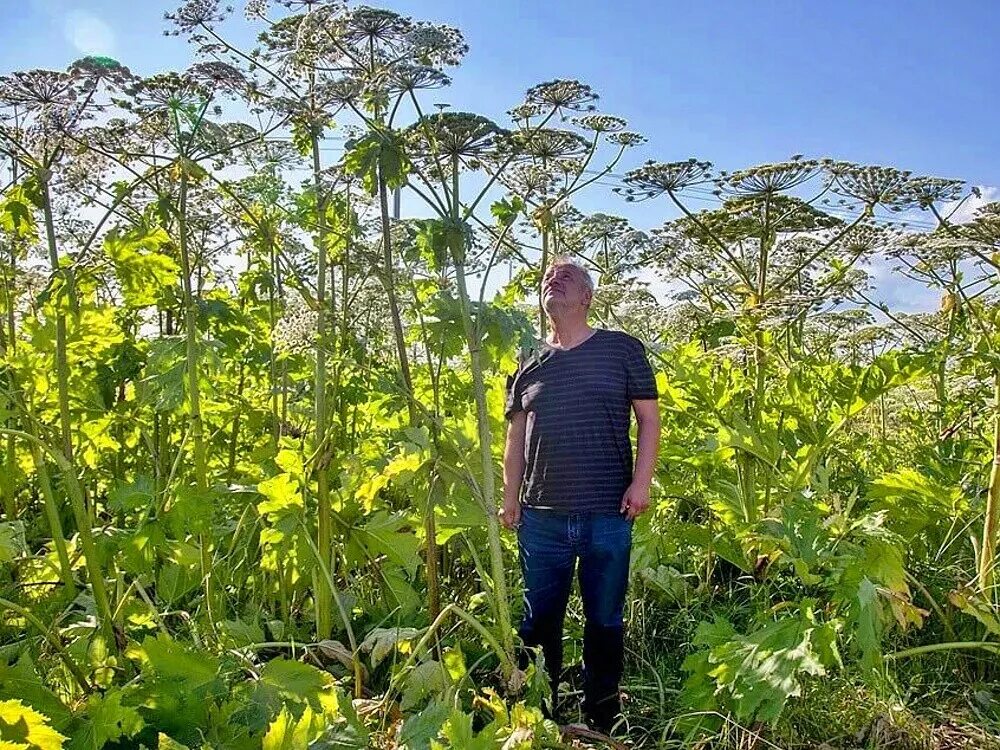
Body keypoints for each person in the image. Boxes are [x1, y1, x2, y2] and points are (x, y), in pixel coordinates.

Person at [500, 258, 661, 733]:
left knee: (605, 619)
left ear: (588, 297)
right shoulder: (529, 360)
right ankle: (539, 716)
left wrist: (641, 482)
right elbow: (515, 439)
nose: (554, 281)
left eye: (566, 277)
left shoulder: (620, 350)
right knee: (538, 622)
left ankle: (601, 718)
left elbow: (649, 421)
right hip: (541, 516)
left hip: (608, 512)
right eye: (548, 278)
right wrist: (511, 497)